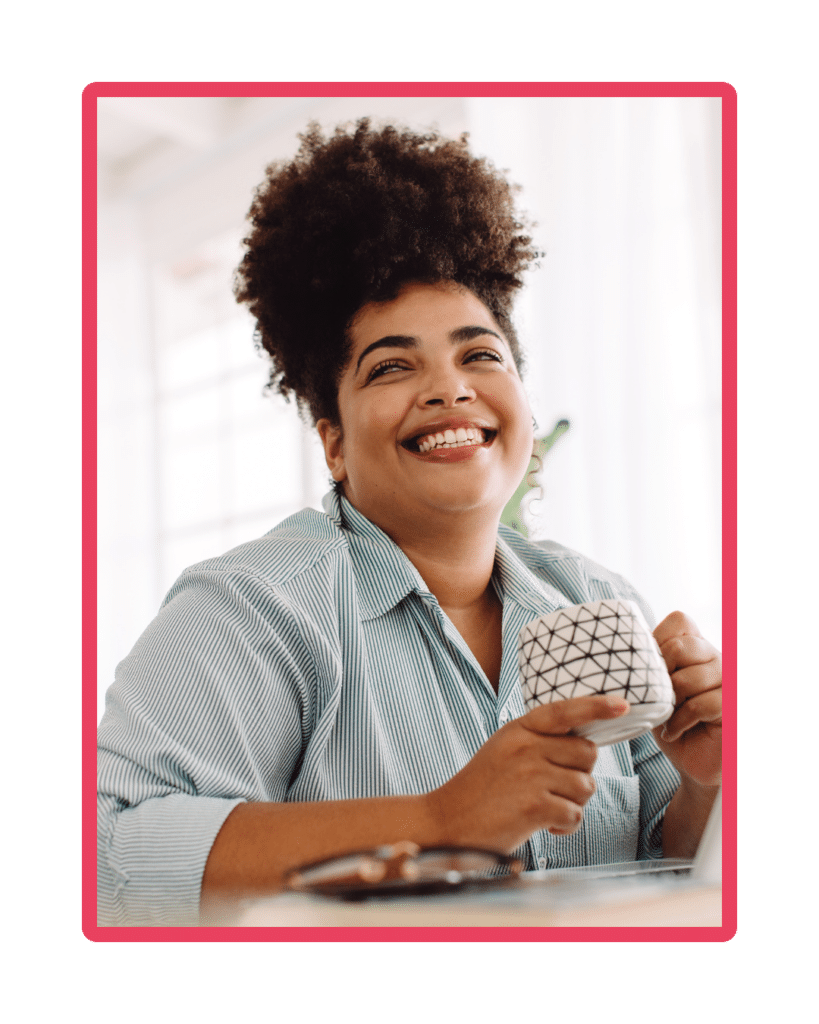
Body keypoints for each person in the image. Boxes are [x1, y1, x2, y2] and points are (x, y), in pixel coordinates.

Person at [97, 120, 722, 926]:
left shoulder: (598, 601)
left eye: (480, 355)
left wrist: (705, 779)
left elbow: (656, 872)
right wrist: (436, 822)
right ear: (333, 443)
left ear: (523, 405)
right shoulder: (251, 610)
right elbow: (106, 855)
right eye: (392, 366)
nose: (447, 389)